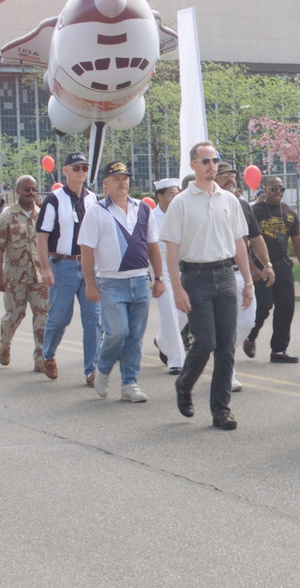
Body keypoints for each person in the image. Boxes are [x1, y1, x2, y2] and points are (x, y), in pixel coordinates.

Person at [161, 142, 253, 431]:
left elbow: (239, 243)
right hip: (195, 276)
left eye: (214, 160)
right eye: (205, 161)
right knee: (206, 343)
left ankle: (221, 410)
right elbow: (171, 248)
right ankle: (184, 384)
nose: (211, 165)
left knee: (226, 347)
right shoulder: (182, 202)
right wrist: (177, 288)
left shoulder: (229, 200)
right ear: (194, 166)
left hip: (225, 274)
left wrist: (248, 282)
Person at [79, 160, 165, 402]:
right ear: (106, 183)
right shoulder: (97, 211)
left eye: (125, 177)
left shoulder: (142, 209)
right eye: (116, 178)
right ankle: (103, 368)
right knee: (118, 331)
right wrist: (90, 283)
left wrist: (158, 278)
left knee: (135, 336)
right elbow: (87, 249)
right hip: (110, 282)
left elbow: (153, 246)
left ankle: (129, 383)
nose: (122, 182)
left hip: (139, 281)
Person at [36, 151, 103, 385]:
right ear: (64, 170)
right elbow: (42, 236)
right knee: (60, 317)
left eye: (84, 168)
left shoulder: (93, 199)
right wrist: (45, 267)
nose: (81, 172)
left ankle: (91, 370)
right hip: (62, 265)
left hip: (88, 266)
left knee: (94, 319)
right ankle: (49, 354)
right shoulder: (54, 199)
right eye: (76, 168)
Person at [217, 162, 275, 391]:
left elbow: (255, 237)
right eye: (224, 176)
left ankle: (224, 357)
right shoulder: (204, 204)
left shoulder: (242, 205)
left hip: (239, 273)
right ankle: (227, 371)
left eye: (232, 175)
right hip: (215, 273)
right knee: (223, 326)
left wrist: (266, 264)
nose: (230, 179)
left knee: (247, 321)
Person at [245, 175, 300, 364]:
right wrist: (251, 266)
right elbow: (243, 241)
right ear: (264, 189)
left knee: (286, 308)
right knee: (263, 306)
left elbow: (297, 242)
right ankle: (251, 335)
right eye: (274, 188)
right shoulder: (254, 211)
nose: (278, 192)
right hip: (261, 266)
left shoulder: (289, 213)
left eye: (281, 189)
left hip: (282, 265)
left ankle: (279, 350)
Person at [0, 176, 49, 371]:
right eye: (26, 189)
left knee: (43, 315)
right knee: (14, 316)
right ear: (17, 190)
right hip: (15, 278)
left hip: (39, 277)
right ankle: (5, 344)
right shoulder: (7, 216)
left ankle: (41, 357)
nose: (31, 193)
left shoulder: (42, 216)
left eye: (34, 189)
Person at [150, 178, 188, 375]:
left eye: (177, 193)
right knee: (169, 312)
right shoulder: (151, 216)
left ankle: (162, 340)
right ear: (160, 196)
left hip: (182, 266)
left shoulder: (182, 213)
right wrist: (155, 276)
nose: (175, 198)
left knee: (185, 311)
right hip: (161, 266)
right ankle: (176, 360)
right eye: (171, 194)